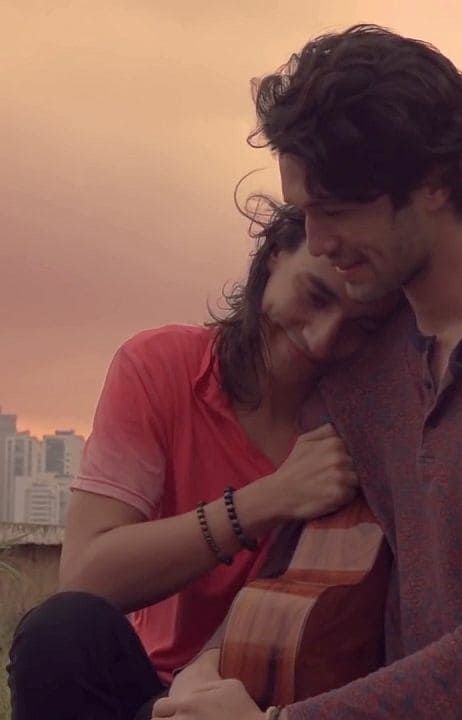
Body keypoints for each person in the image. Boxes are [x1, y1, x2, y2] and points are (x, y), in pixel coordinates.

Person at [153, 23, 462, 720]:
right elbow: (287, 571)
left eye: (336, 211)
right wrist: (201, 675)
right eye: (306, 213)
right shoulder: (366, 363)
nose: (318, 244)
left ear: (431, 185)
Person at [6, 199, 399, 720]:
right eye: (316, 295)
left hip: (273, 700)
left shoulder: (367, 426)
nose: (323, 339)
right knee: (59, 635)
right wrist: (269, 500)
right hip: (153, 691)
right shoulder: (161, 367)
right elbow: (85, 576)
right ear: (276, 256)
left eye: (359, 328)